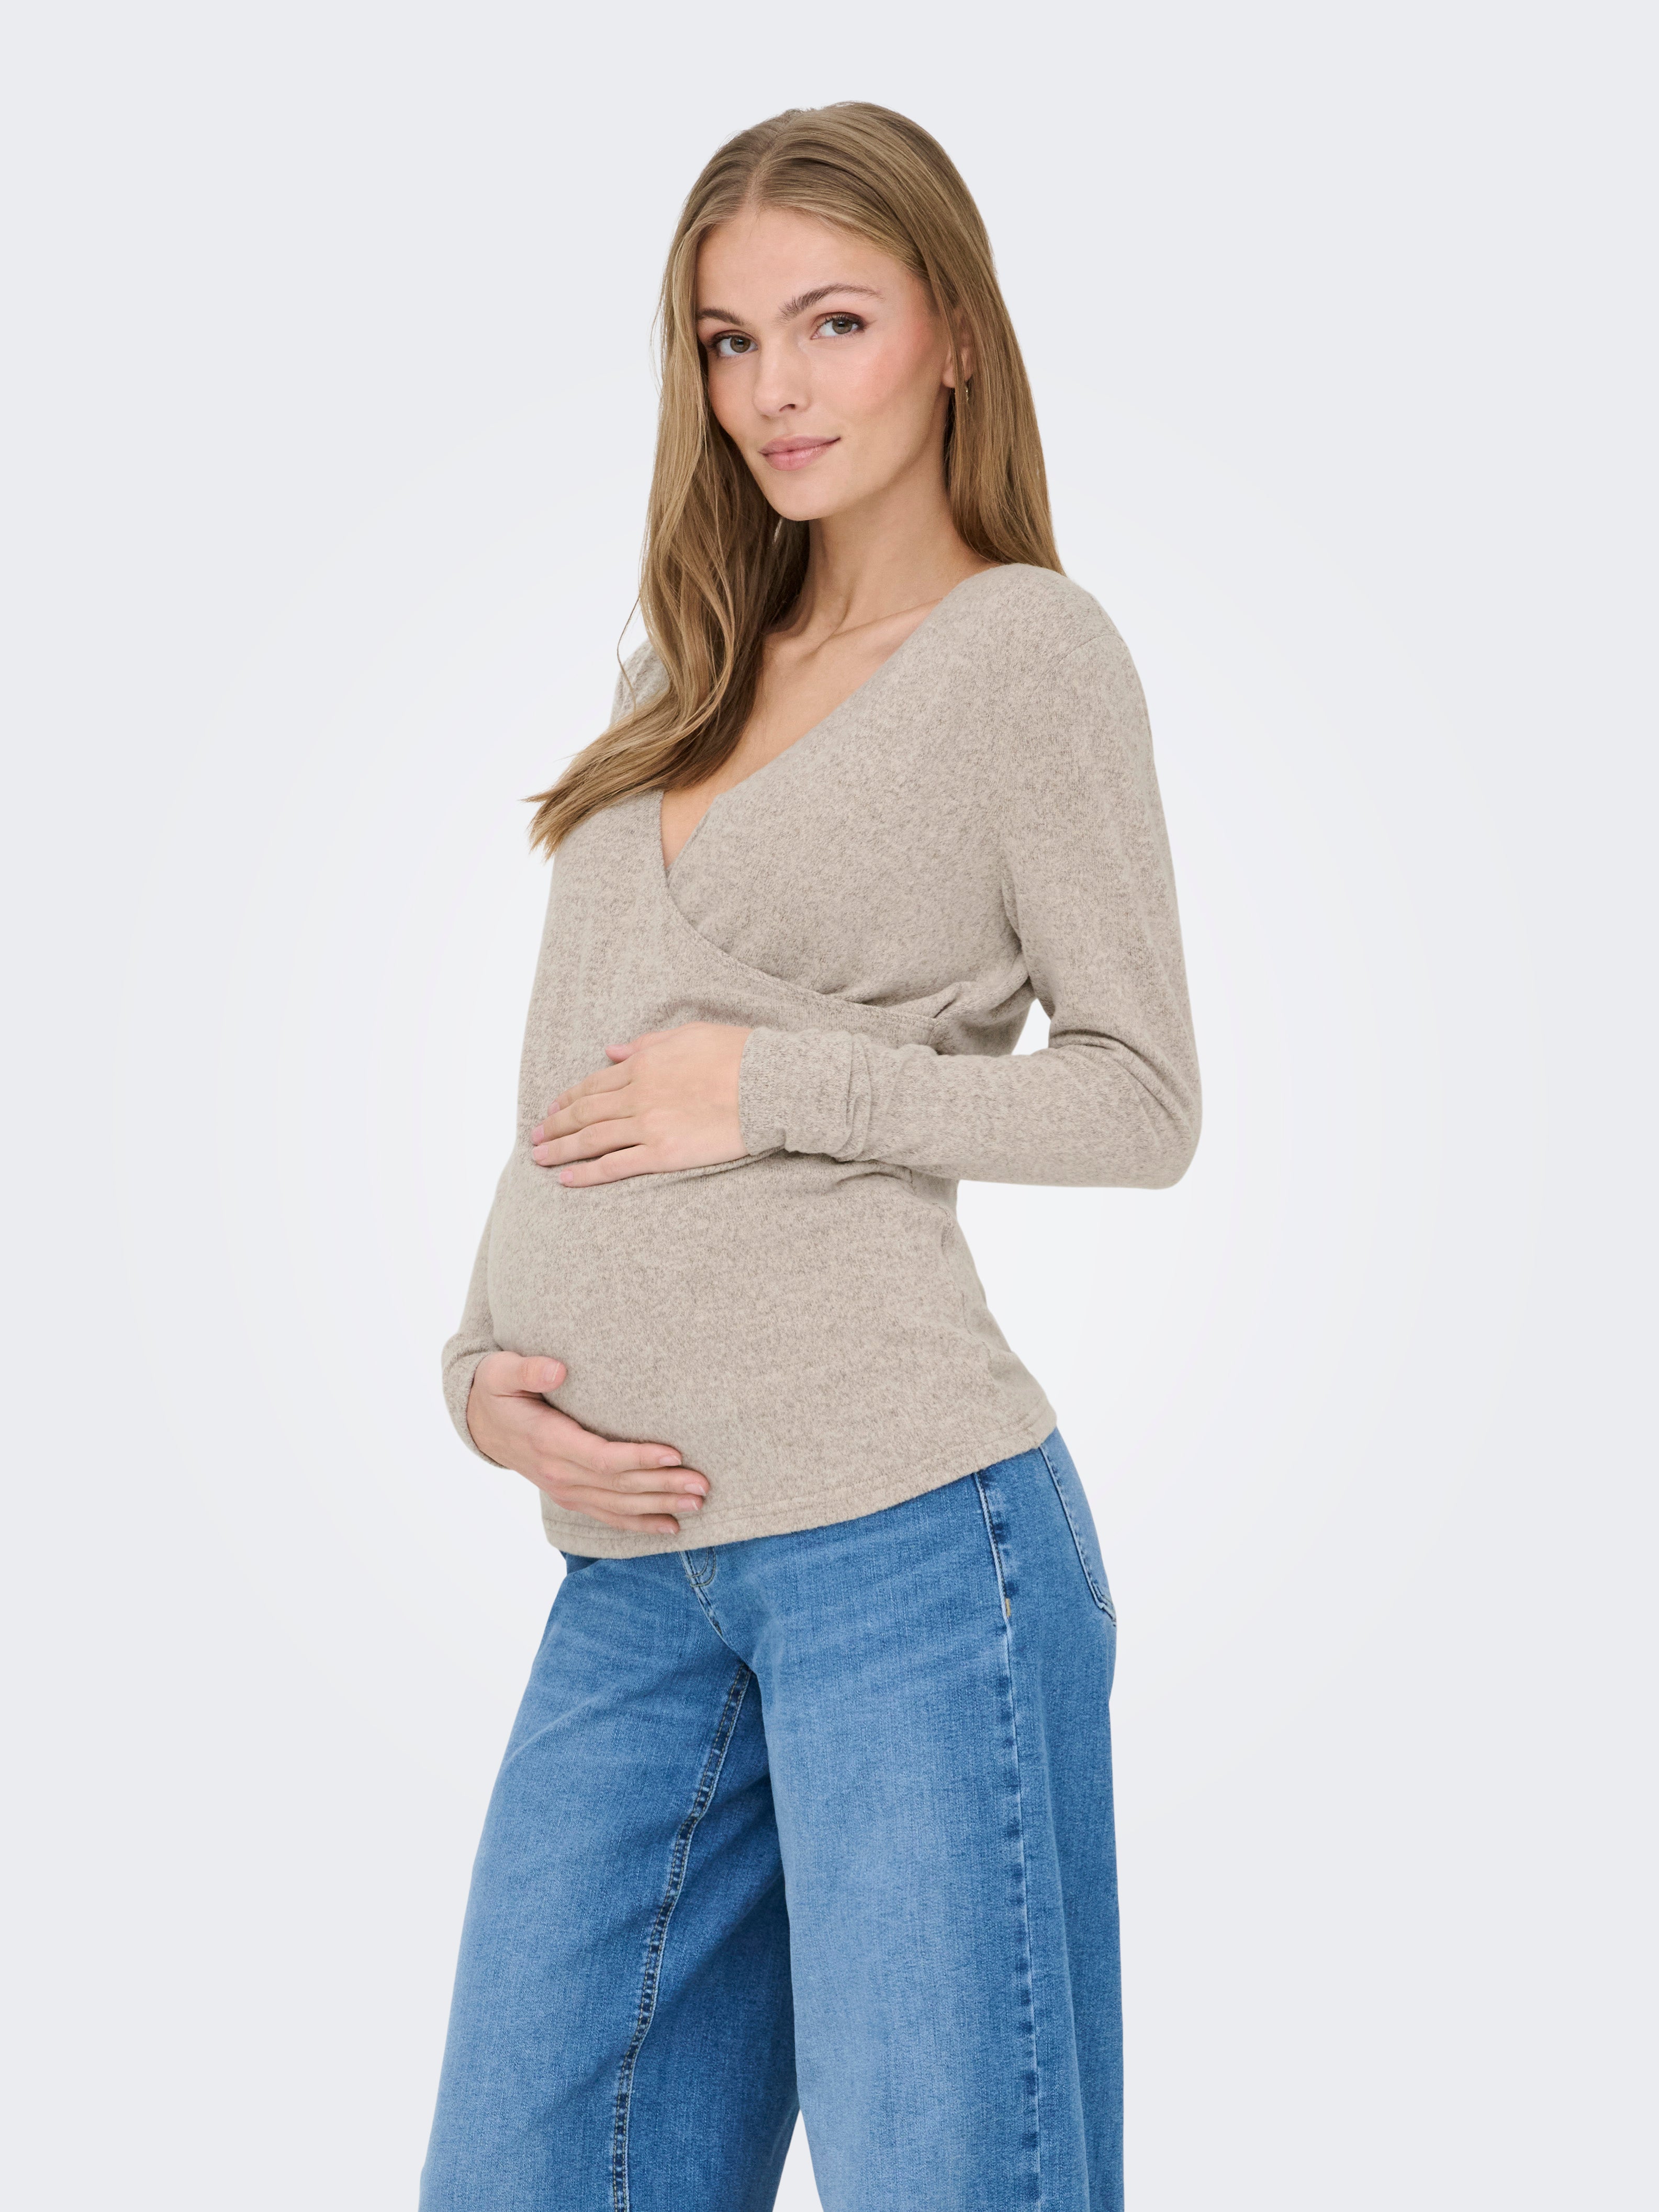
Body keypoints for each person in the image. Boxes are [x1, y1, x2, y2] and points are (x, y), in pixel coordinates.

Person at [420, 101, 1200, 2212]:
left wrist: (778, 1086)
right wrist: (480, 1371)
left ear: (954, 334)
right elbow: (572, 1075)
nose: (773, 386)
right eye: (727, 339)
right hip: (629, 1572)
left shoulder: (1026, 655)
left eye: (831, 322)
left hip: (906, 1552)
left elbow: (1140, 1099)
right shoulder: (685, 663)